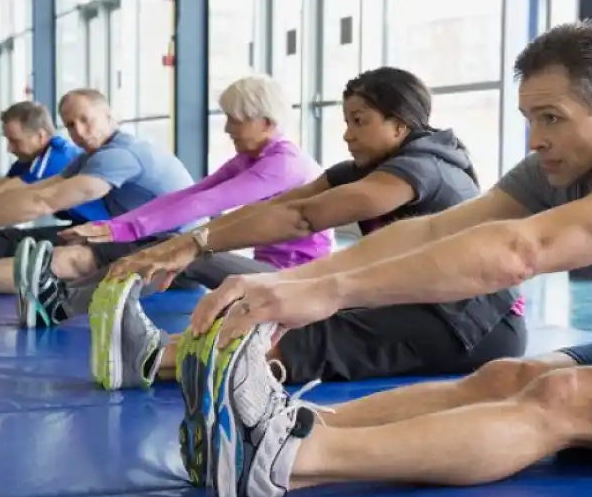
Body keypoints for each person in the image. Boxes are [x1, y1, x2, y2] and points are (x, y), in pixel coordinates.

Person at [176, 20, 592, 497]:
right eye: (530, 118)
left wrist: (333, 294)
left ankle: (290, 461)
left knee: (560, 397)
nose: (536, 140)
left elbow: (519, 252)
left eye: (551, 117)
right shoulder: (560, 165)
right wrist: (291, 284)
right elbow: (436, 230)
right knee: (507, 374)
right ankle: (280, 429)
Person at [71, 67, 526, 401]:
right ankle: (153, 350)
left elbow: (305, 217)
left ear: (399, 125)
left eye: (360, 121)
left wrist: (191, 245)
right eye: (346, 120)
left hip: (472, 323)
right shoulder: (364, 167)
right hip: (416, 296)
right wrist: (181, 244)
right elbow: (280, 206)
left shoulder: (420, 170)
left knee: (323, 333)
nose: (347, 134)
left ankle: (151, 361)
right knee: (286, 310)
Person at [18, 74, 331, 331]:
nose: (226, 128)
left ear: (265, 122)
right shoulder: (251, 157)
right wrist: (115, 227)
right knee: (175, 246)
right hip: (270, 270)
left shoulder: (283, 164)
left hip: (294, 281)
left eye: (235, 119)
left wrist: (123, 232)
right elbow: (189, 194)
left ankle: (60, 305)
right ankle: (60, 297)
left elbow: (206, 203)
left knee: (190, 252)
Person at [0, 88, 195, 299]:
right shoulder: (91, 156)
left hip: (177, 253)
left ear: (108, 115)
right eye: (70, 125)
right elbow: (35, 190)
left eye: (85, 119)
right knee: (20, 240)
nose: (78, 131)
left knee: (67, 258)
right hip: (132, 234)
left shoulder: (120, 155)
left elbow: (43, 202)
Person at [0, 101, 106, 226]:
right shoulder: (31, 158)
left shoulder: (54, 158)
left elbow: (0, 195)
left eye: (15, 141)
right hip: (80, 225)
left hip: (103, 230)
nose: (9, 149)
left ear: (41, 136)